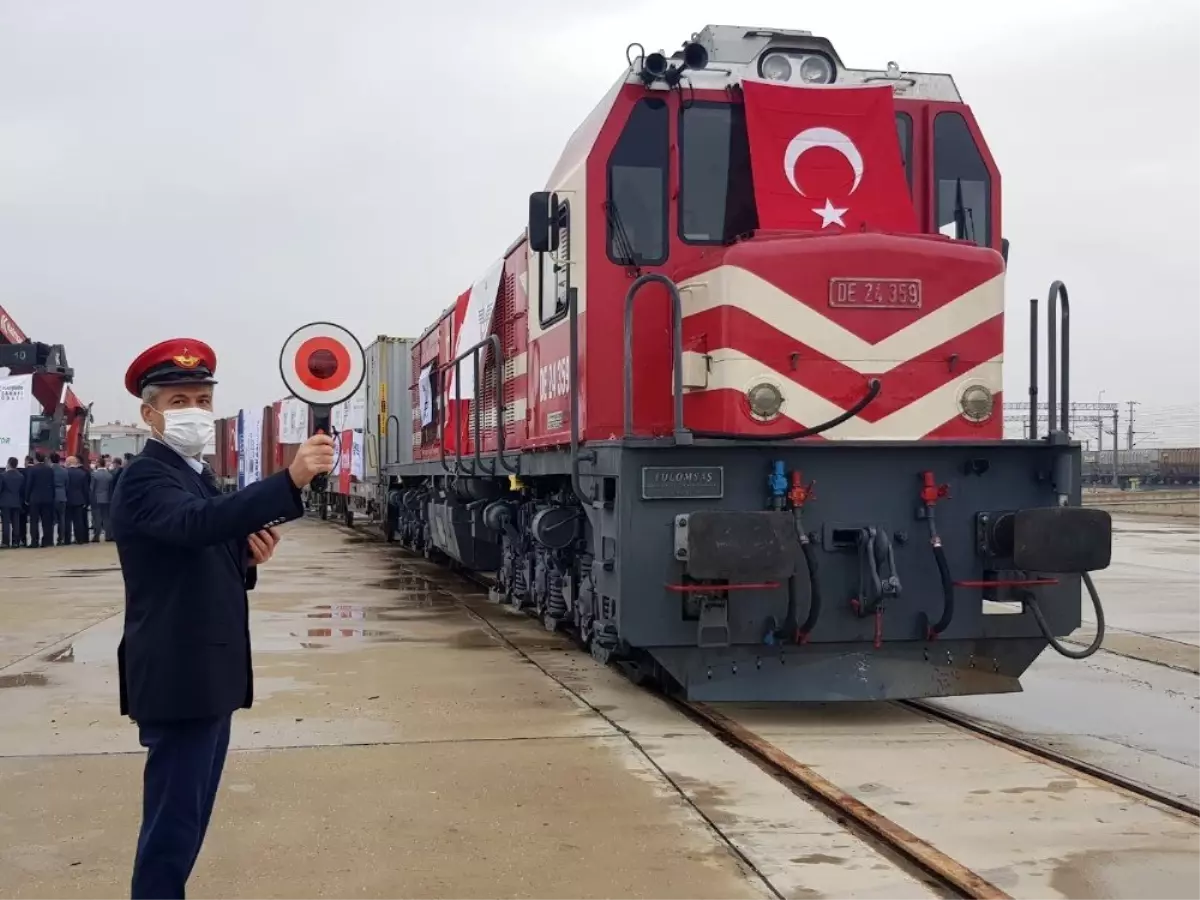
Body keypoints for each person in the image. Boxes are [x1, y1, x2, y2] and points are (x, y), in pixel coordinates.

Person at [109, 338, 334, 900]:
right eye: (180, 401)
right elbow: (194, 525)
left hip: (204, 677)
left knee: (188, 824)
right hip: (180, 677)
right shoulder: (147, 476)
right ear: (149, 413)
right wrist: (289, 482)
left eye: (202, 400)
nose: (195, 412)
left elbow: (196, 544)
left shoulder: (190, 473)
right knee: (172, 831)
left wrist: (243, 556)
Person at [23, 452, 55, 548]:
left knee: (34, 521)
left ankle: (34, 541)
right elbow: (53, 485)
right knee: (47, 521)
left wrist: (26, 498)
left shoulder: (32, 470)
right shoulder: (49, 469)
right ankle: (47, 540)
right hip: (47, 498)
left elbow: (29, 485)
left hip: (35, 498)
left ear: (35, 459)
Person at [65, 456, 90, 545]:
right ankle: (79, 539)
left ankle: (67, 539)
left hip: (67, 499)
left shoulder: (65, 472)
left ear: (68, 463)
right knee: (78, 521)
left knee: (67, 521)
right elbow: (85, 489)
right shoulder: (82, 473)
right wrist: (86, 501)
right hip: (79, 499)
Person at [89, 455, 114, 541]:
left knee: (97, 518)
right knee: (107, 518)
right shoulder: (109, 475)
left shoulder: (94, 474)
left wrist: (90, 498)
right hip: (107, 498)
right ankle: (108, 535)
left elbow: (92, 488)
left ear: (98, 464)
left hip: (96, 498)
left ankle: (96, 536)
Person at [0, 457, 23, 548]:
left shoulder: (3, 475)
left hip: (5, 502)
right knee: (16, 522)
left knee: (6, 523)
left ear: (8, 463)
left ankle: (6, 542)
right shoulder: (21, 476)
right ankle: (15, 541)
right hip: (16, 501)